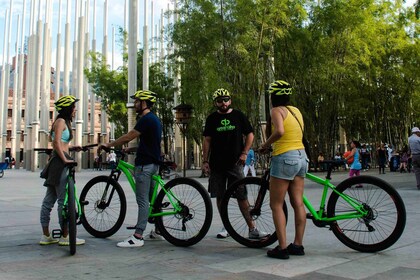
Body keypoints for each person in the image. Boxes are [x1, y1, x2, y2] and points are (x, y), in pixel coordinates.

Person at [100, 90, 163, 247]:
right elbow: (149, 143)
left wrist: (109, 144)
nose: (135, 104)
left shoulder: (145, 119)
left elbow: (130, 136)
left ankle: (138, 236)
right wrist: (131, 150)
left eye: (137, 101)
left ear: (144, 103)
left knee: (143, 201)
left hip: (144, 166)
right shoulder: (155, 119)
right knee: (152, 200)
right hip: (154, 164)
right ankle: (158, 230)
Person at [202, 88, 266, 239]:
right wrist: (205, 161)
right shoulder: (211, 118)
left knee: (242, 196)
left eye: (225, 100)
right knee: (220, 196)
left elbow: (250, 134)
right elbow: (207, 140)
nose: (223, 103)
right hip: (217, 164)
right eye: (219, 101)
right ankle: (226, 226)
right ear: (215, 103)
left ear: (230, 100)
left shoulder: (238, 115)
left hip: (235, 163)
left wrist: (245, 152)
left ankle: (252, 228)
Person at [259, 80, 308, 259]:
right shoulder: (296, 111)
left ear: (272, 97)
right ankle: (298, 245)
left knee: (276, 204)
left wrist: (265, 144)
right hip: (301, 157)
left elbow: (279, 131)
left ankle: (281, 248)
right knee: (298, 203)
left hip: (285, 157)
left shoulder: (276, 111)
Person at [39, 95, 85, 246]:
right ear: (68, 108)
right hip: (60, 163)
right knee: (61, 201)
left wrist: (72, 148)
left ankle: (46, 235)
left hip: (57, 161)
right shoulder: (60, 122)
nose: (75, 109)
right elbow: (56, 142)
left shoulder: (64, 122)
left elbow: (62, 143)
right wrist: (65, 159)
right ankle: (65, 236)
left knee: (49, 200)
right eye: (73, 107)